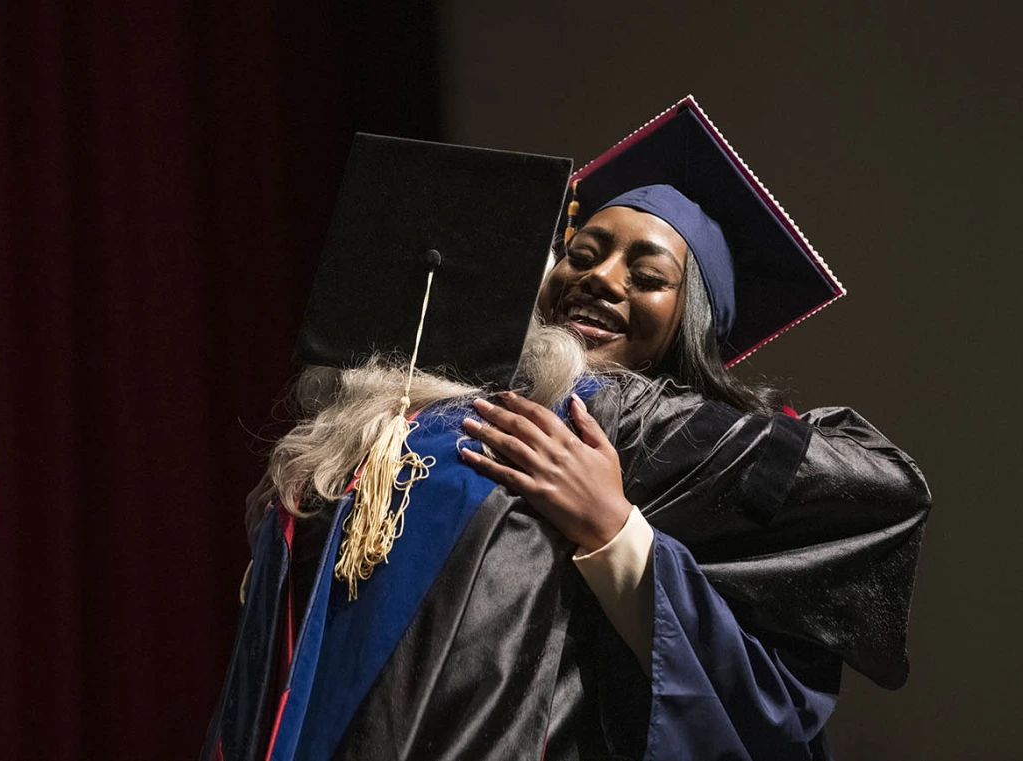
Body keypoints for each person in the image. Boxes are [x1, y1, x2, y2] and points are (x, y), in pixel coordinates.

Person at [202, 98, 931, 761]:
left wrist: (618, 535)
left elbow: (884, 488)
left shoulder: (649, 427)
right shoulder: (427, 408)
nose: (602, 277)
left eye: (647, 276)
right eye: (582, 253)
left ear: (692, 325)